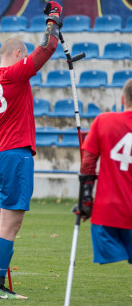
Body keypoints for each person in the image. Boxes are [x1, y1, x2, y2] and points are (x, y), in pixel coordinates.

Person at [0, 1, 62, 299]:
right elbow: (47, 48)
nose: (26, 60)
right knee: (11, 223)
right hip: (15, 154)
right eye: (23, 55)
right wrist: (53, 19)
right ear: (16, 54)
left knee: (6, 222)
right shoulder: (14, 74)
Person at [77, 79, 132, 268]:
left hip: (109, 212)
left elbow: (87, 164)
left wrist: (85, 201)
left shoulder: (103, 120)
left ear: (123, 99)